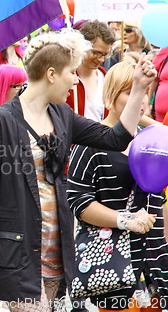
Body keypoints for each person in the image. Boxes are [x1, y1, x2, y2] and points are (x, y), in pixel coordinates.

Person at [0, 29, 157, 311]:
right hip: (18, 258)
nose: (75, 80)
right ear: (51, 74)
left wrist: (140, 87)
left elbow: (116, 137)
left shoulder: (62, 115)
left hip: (59, 257)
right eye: (71, 72)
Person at [67, 61, 166, 311]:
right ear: (111, 94)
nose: (140, 98)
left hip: (154, 262)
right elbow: (78, 202)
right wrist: (125, 219)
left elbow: (159, 204)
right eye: (130, 91)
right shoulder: (91, 141)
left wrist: (147, 121)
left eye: (145, 92)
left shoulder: (152, 140)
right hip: (113, 262)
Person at [67, 20, 115, 121]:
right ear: (83, 46)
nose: (101, 59)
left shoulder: (107, 80)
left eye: (105, 54)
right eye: (96, 53)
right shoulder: (65, 77)